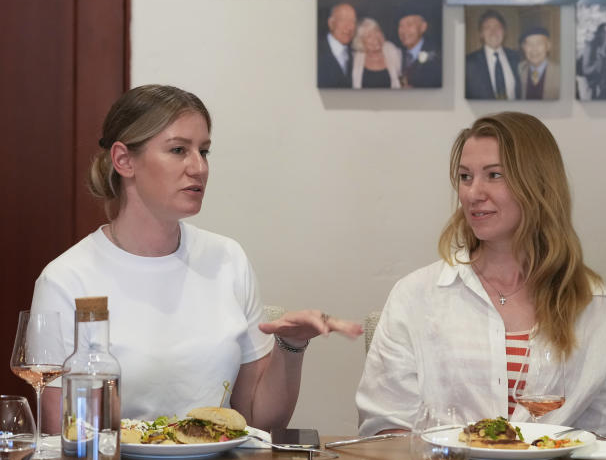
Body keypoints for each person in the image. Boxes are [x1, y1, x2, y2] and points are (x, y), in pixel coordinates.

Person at [30, 85, 363, 430]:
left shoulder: (227, 259)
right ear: (124, 160)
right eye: (178, 150)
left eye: (204, 151)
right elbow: (63, 436)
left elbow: (260, 419)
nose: (199, 167)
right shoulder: (66, 279)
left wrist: (291, 346)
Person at [356, 112, 606, 437]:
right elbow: (384, 430)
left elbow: (603, 442)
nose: (473, 193)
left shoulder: (594, 304)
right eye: (465, 177)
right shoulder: (416, 296)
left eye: (494, 175)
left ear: (538, 184)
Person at [464, 10, 520, 100]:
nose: (493, 32)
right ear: (481, 34)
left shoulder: (517, 58)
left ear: (504, 32)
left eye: (497, 27)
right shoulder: (468, 63)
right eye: (487, 27)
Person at [351, 17, 402, 89]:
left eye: (377, 31)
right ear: (360, 42)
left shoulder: (395, 53)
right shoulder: (353, 60)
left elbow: (403, 79)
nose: (376, 38)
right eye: (369, 36)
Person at [396, 9, 441, 88]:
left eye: (409, 25)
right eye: (401, 26)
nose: (404, 31)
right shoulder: (396, 54)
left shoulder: (438, 56)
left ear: (423, 27)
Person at [318, 2, 356, 88]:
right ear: (331, 23)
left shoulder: (354, 54)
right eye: (343, 20)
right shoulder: (315, 52)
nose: (349, 27)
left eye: (353, 21)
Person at [518, 27, 560, 100]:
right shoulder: (518, 69)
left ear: (548, 46)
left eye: (539, 43)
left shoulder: (561, 74)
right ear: (523, 48)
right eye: (529, 44)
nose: (534, 49)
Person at [580, 23, 606, 99]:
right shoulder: (590, 46)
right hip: (590, 81)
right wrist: (595, 66)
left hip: (605, 82)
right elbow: (585, 70)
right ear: (599, 33)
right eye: (605, 32)